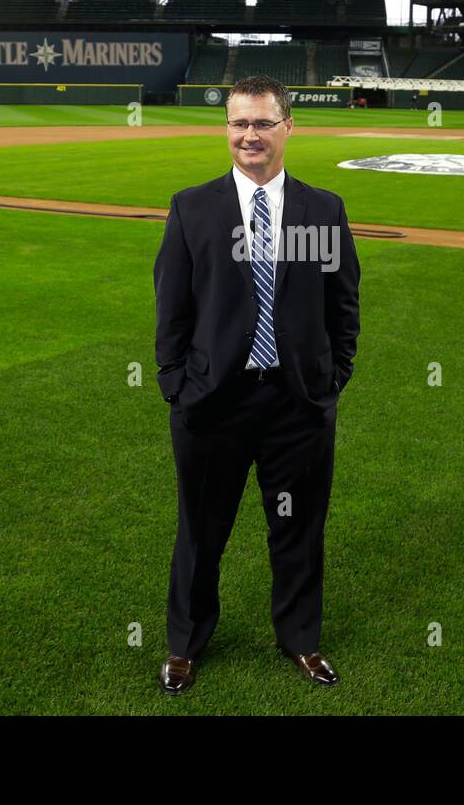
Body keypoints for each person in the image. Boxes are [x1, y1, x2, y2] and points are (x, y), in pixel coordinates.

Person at [153, 74, 360, 695]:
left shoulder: (322, 209)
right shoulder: (194, 207)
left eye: (263, 123)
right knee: (202, 527)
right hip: (213, 403)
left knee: (298, 528)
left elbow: (343, 306)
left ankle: (300, 639)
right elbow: (172, 309)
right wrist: (178, 386)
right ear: (227, 130)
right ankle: (185, 644)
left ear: (287, 128)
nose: (250, 135)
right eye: (239, 123)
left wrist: (330, 381)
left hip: (297, 404)